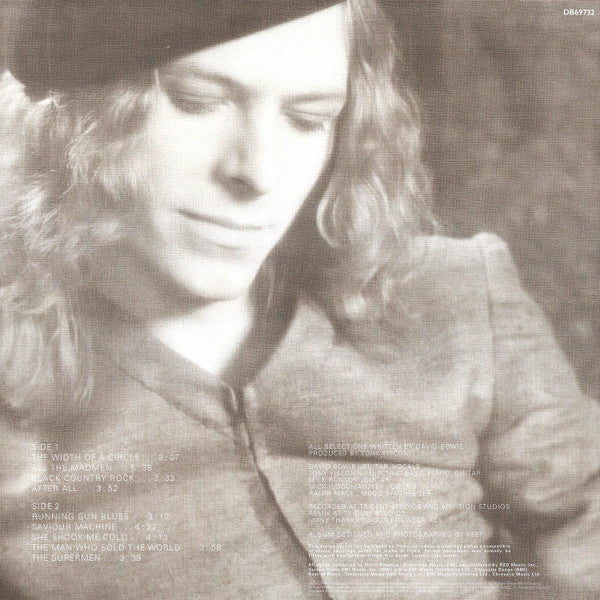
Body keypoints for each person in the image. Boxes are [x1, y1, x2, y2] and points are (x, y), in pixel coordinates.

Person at [0, 1, 598, 599]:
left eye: (308, 120)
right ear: (71, 113)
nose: (259, 173)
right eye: (198, 102)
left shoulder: (455, 294)